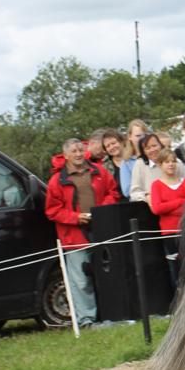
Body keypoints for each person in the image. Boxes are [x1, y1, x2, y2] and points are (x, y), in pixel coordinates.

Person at [45, 138, 120, 328]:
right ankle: (87, 320)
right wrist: (76, 217)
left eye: (80, 150)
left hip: (102, 230)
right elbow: (52, 210)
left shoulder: (99, 171)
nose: (78, 154)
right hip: (74, 235)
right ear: (66, 155)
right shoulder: (57, 180)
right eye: (74, 151)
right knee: (81, 280)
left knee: (107, 275)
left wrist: (101, 211)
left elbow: (113, 193)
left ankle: (111, 315)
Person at [149, 149, 185, 287]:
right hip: (169, 232)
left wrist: (169, 208)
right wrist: (180, 202)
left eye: (173, 161)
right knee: (176, 267)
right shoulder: (156, 185)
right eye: (167, 162)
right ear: (160, 165)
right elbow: (157, 208)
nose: (171, 164)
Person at [129, 132, 171, 203]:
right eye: (147, 148)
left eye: (154, 146)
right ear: (144, 152)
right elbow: (134, 193)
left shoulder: (173, 161)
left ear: (160, 145)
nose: (152, 150)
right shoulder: (139, 164)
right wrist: (147, 196)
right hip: (151, 206)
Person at [118, 119, 150, 198]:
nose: (142, 138)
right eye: (138, 136)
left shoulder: (154, 156)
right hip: (139, 203)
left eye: (144, 135)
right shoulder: (126, 162)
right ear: (129, 137)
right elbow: (126, 190)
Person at [99, 128, 125, 196]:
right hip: (117, 204)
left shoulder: (135, 160)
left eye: (113, 143)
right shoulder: (105, 168)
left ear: (121, 141)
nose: (112, 147)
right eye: (108, 146)